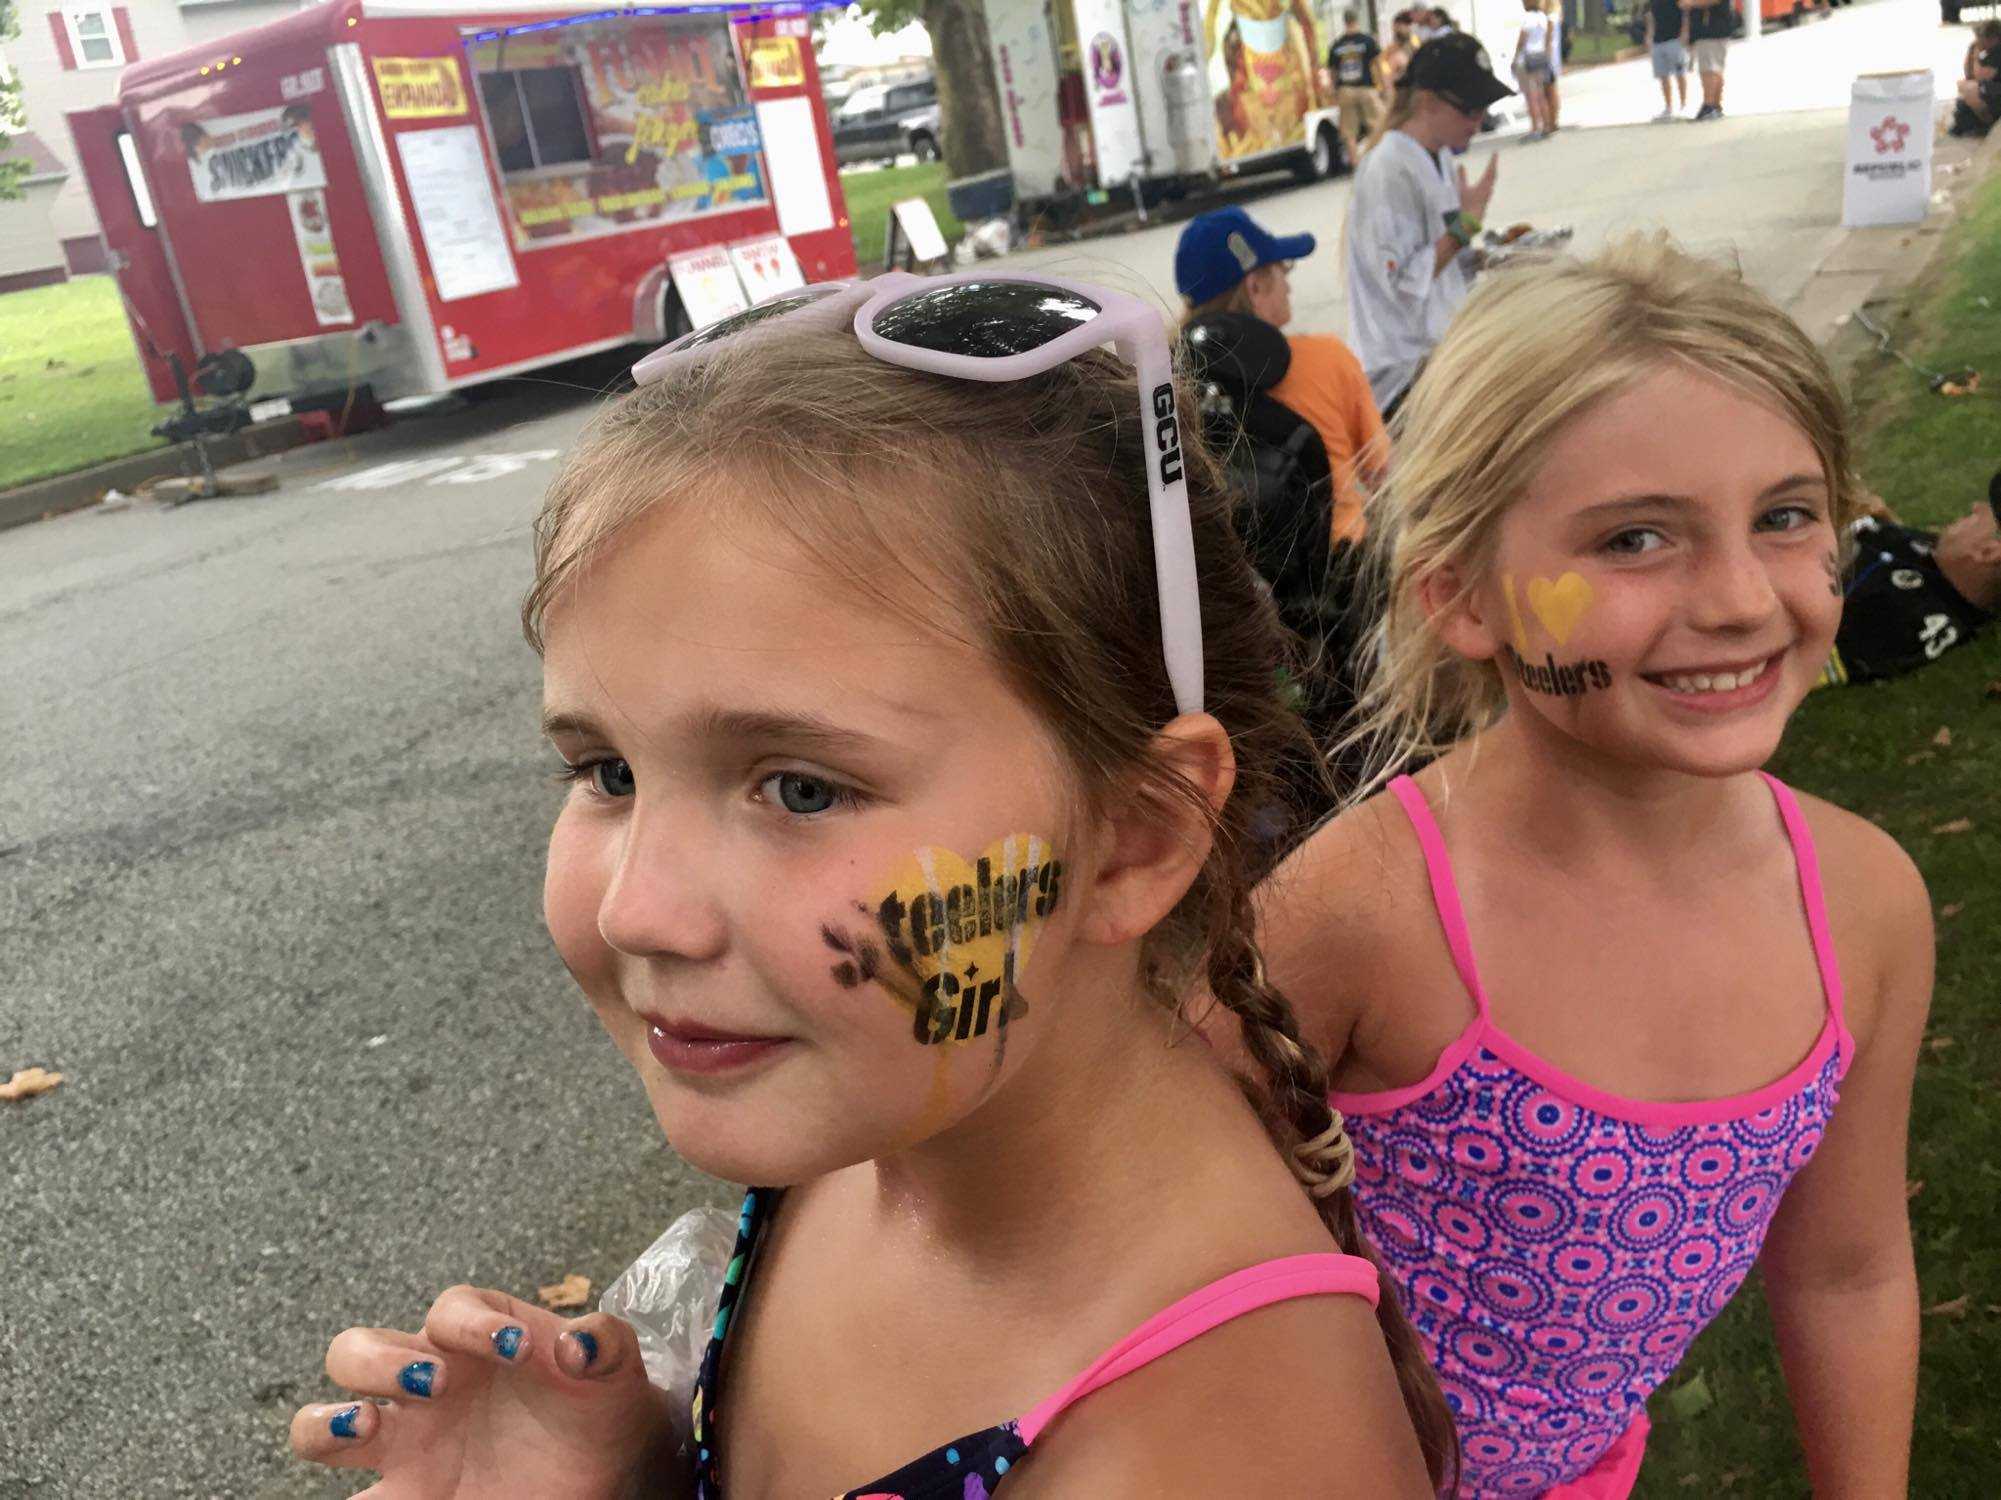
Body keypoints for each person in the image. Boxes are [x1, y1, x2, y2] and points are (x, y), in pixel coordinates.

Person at [286, 274, 1458, 1497]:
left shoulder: (1229, 1451)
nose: (636, 910)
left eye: (800, 789)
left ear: (1134, 838)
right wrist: (635, 1466)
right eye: (606, 771)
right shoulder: (874, 1114)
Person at [1256, 235, 1929, 1496]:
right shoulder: (1362, 911)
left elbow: (1847, 1273)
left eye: (1785, 517)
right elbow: (1114, 1255)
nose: (1741, 598)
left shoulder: (1865, 905)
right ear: (1462, 597)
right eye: (1635, 539)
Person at [1178, 207, 1388, 549]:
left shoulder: (1175, 383)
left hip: (1240, 573)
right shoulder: (1328, 358)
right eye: (1282, 270)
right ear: (1255, 286)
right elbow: (1381, 473)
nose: (1288, 286)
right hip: (1338, 561)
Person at [1345, 32, 1514, 415]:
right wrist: (1464, 228)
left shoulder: (1438, 157)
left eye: (1483, 109)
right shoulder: (1388, 168)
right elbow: (1401, 283)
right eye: (1469, 109)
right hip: (1400, 373)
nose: (1478, 122)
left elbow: (1440, 267)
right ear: (1427, 102)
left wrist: (1491, 259)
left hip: (1436, 356)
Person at [1821, 480, 2001, 683]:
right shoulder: (1945, 566)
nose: (1977, 506)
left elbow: (1808, 653)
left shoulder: (1902, 619)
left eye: (1990, 510)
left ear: (1989, 551)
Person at [1329, 8, 1389, 162]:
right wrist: (1384, 86)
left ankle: (1356, 165)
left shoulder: (1337, 45)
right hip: (1366, 89)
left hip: (1346, 90)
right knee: (1377, 125)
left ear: (1344, 22)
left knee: (1349, 132)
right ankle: (1377, 161)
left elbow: (1333, 72)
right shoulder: (1367, 41)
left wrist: (1334, 90)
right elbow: (1377, 65)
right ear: (1356, 20)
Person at [1512, 0, 1556, 139]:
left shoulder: (1527, 18)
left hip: (1527, 58)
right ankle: (1547, 125)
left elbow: (1522, 41)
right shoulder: (1542, 17)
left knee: (1530, 95)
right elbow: (1547, 38)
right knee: (1540, 93)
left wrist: (1515, 58)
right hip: (1540, 56)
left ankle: (1535, 127)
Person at [1949, 19, 2001, 136]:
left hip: (1996, 92)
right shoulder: (1990, 52)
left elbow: (1981, 76)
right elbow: (1969, 75)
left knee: (1970, 89)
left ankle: (1988, 122)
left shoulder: (1998, 51)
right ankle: (1980, 123)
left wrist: (1975, 55)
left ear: (1993, 38)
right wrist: (1971, 50)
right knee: (1965, 96)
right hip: (1992, 91)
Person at [1684, 0, 1732, 120]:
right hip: (1714, 30)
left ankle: (1709, 105)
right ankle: (1715, 105)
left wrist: (1691, 3)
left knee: (1709, 69)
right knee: (1715, 68)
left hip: (1711, 30)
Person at [1645, 0, 1692, 119]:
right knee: (1663, 76)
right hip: (1658, 41)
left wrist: (1685, 32)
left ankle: (1683, 105)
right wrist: (1649, 35)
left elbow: (1685, 13)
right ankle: (1668, 107)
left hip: (1675, 40)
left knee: (1680, 74)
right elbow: (1651, 16)